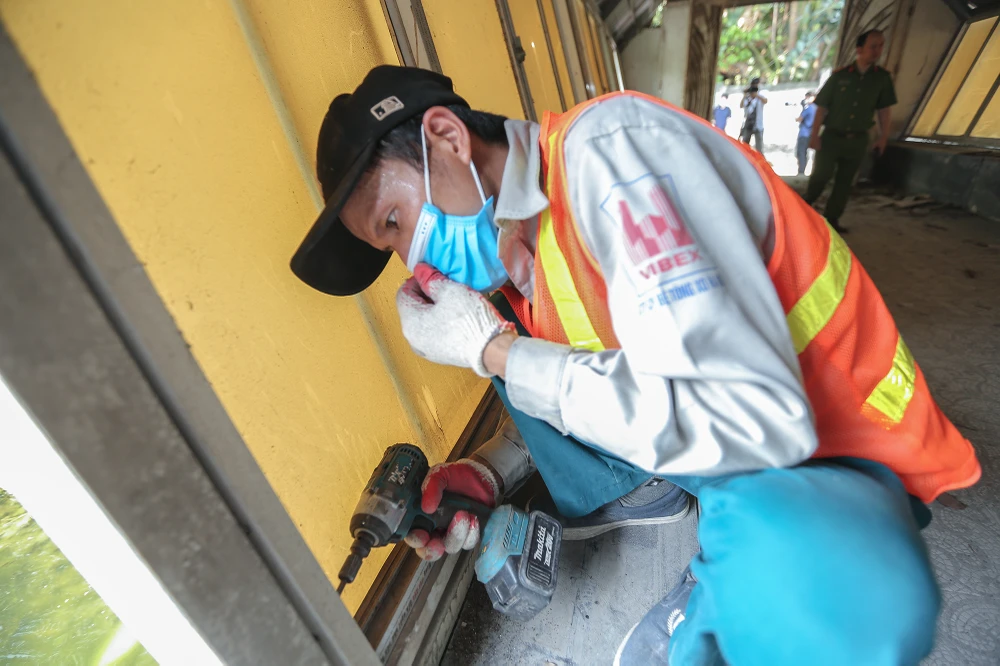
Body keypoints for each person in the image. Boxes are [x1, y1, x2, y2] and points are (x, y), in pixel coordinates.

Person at [291, 66, 980, 665]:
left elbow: (753, 428)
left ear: (447, 138)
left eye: (395, 221)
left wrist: (493, 350)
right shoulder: (518, 253)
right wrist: (486, 469)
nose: (415, 260)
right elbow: (574, 373)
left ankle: (748, 575)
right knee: (516, 359)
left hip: (836, 449)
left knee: (832, 596)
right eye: (391, 249)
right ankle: (712, 553)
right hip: (729, 464)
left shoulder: (611, 159)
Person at [805, 29, 897, 233]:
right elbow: (822, 108)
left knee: (845, 182)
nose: (877, 51)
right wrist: (814, 136)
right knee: (820, 176)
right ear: (859, 49)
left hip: (857, 139)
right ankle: (804, 209)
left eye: (881, 46)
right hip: (831, 137)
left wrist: (883, 137)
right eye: (873, 46)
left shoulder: (881, 79)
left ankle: (832, 220)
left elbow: (884, 110)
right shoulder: (839, 77)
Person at [739, 77, 767, 153]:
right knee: (745, 146)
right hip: (748, 124)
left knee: (759, 148)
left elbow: (765, 101)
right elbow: (741, 105)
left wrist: (756, 95)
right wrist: (745, 95)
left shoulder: (760, 96)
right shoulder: (748, 97)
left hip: (758, 124)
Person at [795, 91, 818, 176]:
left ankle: (801, 171)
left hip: (804, 133)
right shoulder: (817, 108)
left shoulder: (809, 108)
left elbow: (800, 118)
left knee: (801, 153)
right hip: (811, 133)